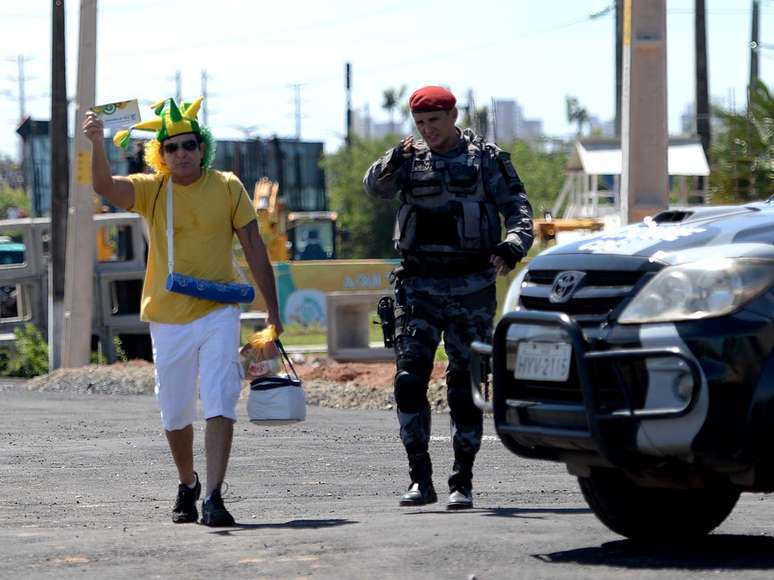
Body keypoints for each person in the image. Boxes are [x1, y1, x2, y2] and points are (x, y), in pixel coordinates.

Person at [83, 96, 283, 527]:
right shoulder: (153, 189)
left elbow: (254, 247)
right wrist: (97, 143)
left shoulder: (228, 185)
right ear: (160, 153)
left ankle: (213, 496)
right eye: (171, 147)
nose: (181, 154)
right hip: (168, 315)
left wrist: (273, 311)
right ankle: (187, 481)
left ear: (202, 147)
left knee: (220, 398)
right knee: (174, 412)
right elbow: (103, 186)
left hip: (219, 309)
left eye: (189, 145)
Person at [363, 86, 533, 510]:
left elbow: (518, 208)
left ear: (453, 115)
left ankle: (463, 480)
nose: (428, 131)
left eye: (434, 122)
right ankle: (420, 478)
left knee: (464, 384)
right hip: (419, 286)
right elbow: (374, 188)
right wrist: (392, 160)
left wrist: (513, 245)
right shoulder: (408, 158)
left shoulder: (485, 160)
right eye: (420, 124)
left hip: (470, 287)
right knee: (408, 381)